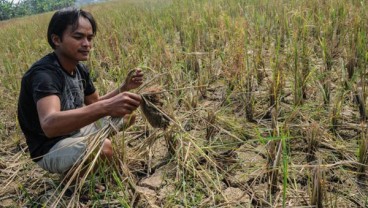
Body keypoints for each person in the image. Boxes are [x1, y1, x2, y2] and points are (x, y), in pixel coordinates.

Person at [17, 7, 143, 175]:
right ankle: (74, 174)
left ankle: (85, 157)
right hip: (51, 147)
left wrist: (124, 88)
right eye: (78, 37)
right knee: (104, 148)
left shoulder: (79, 68)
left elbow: (95, 103)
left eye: (90, 38)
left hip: (76, 131)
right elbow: (50, 125)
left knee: (127, 114)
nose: (87, 44)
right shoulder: (45, 75)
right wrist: (106, 107)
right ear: (56, 39)